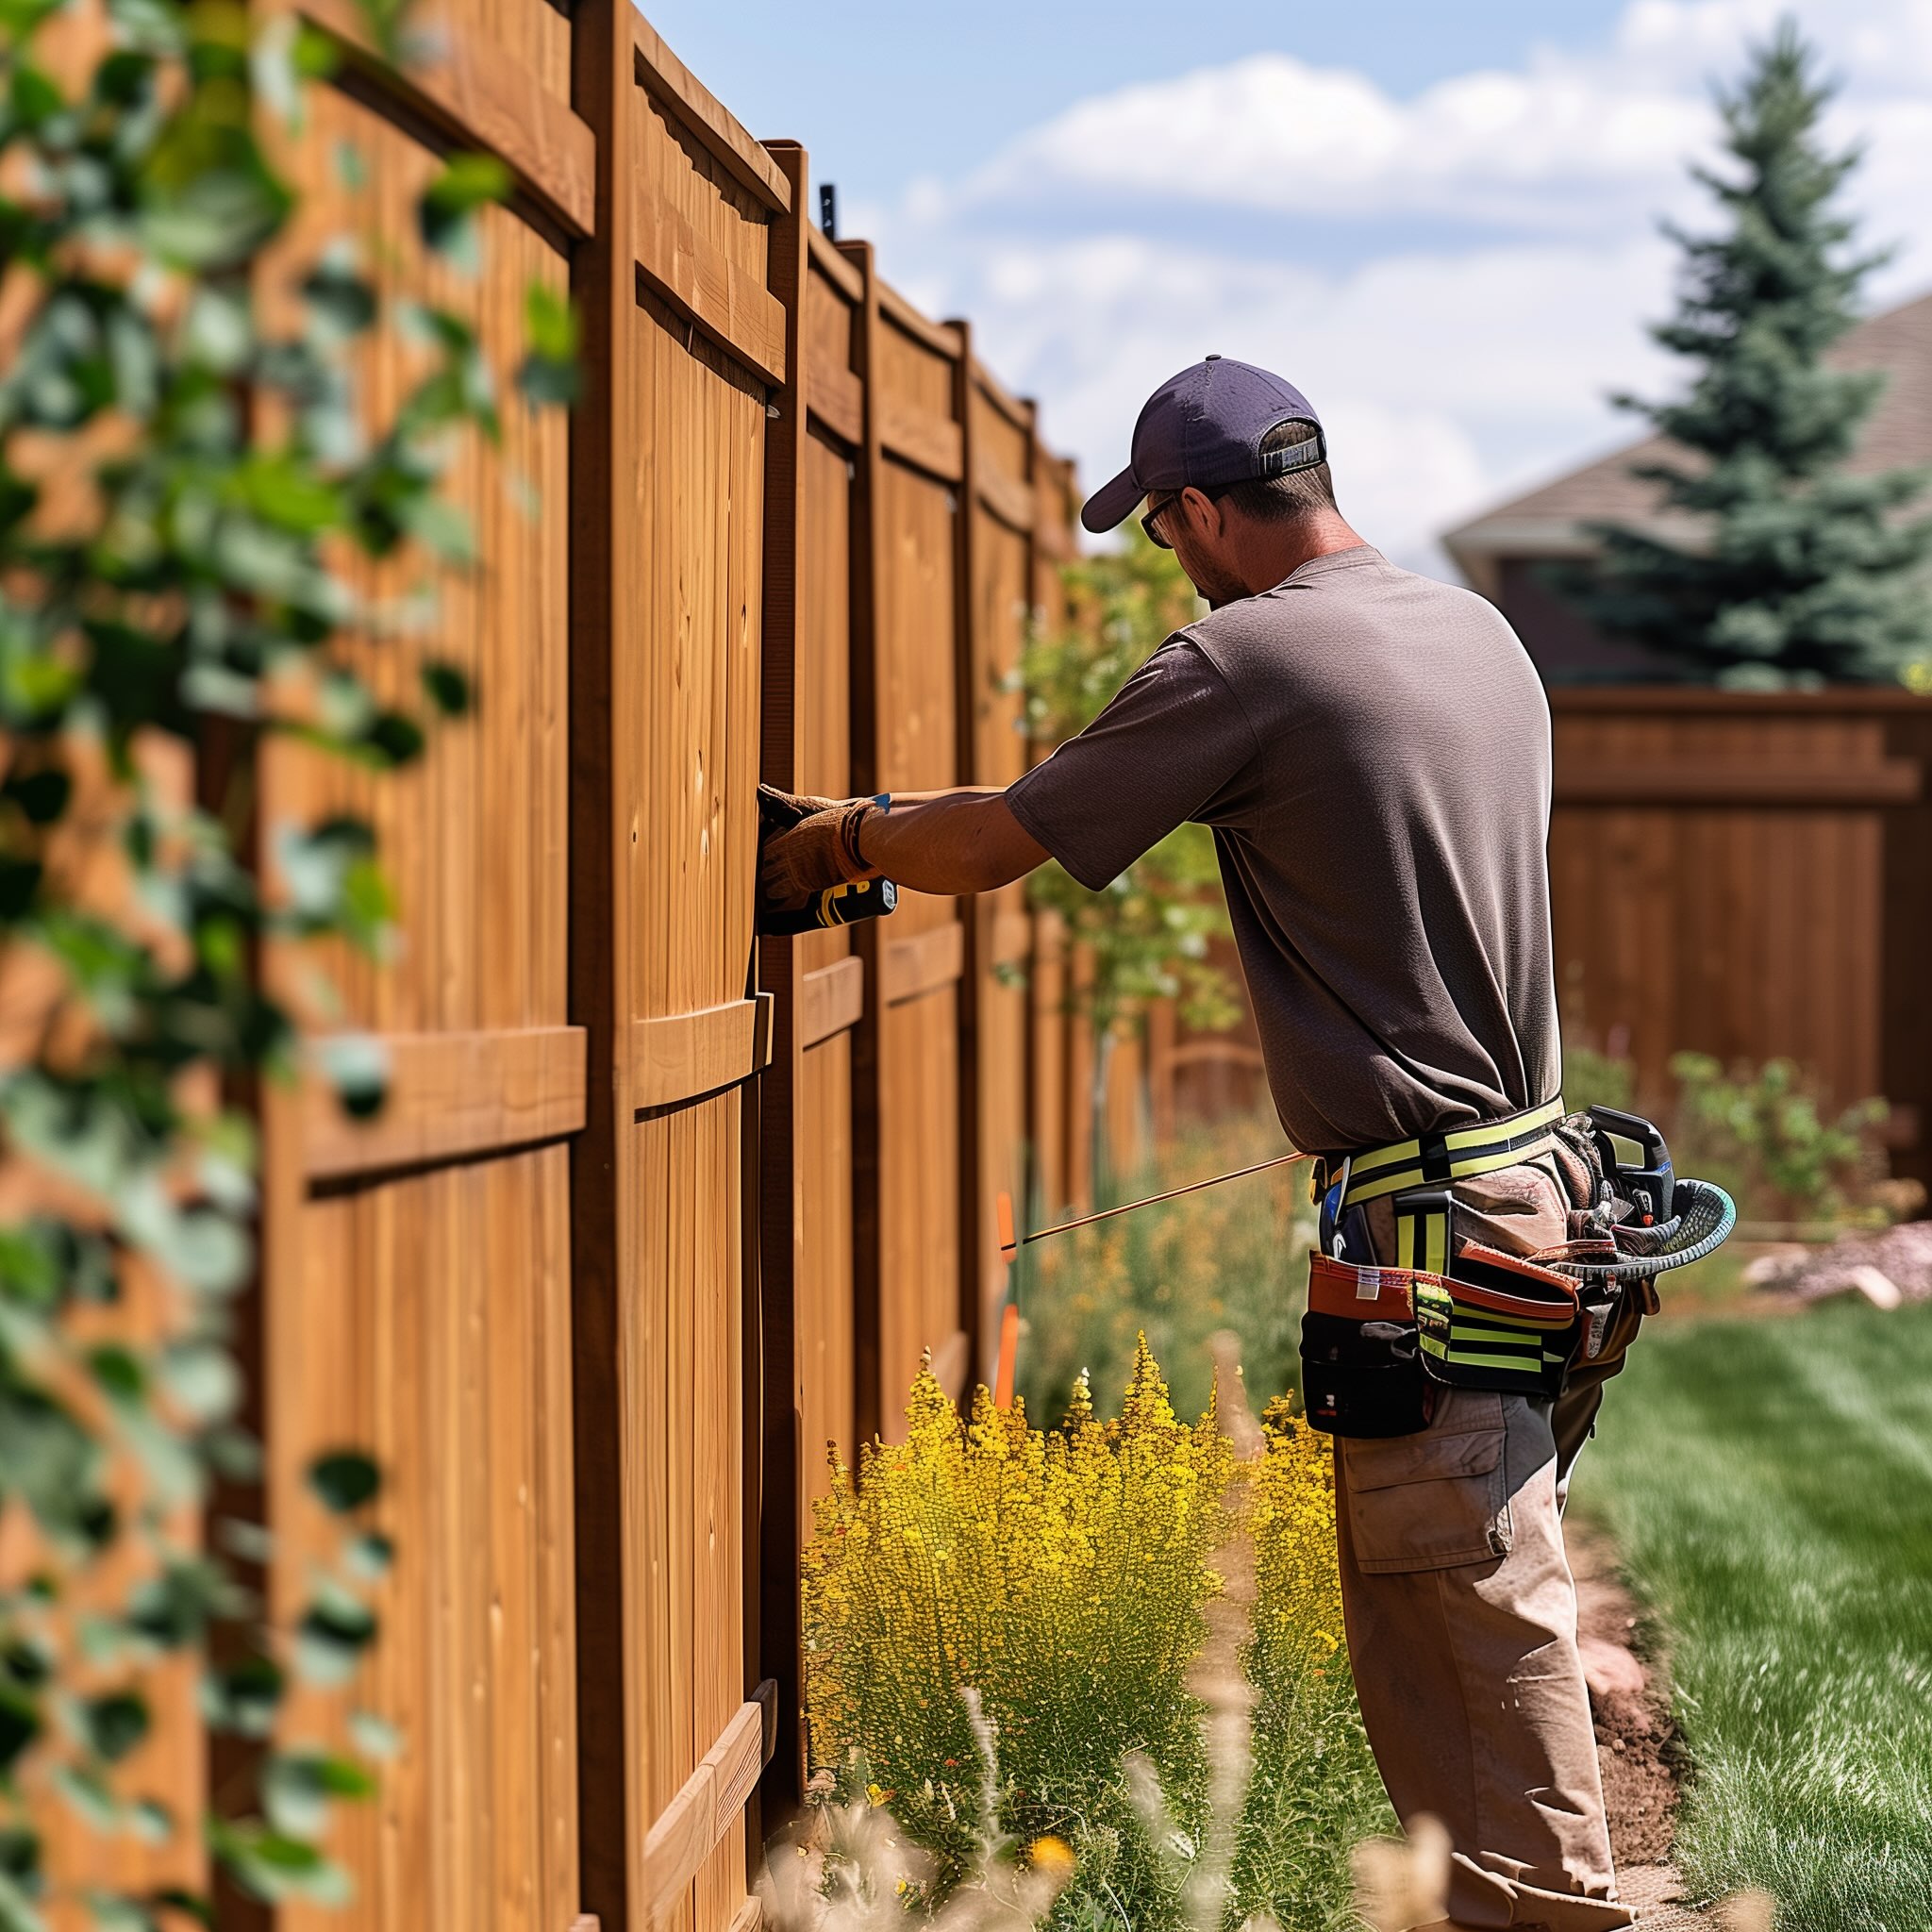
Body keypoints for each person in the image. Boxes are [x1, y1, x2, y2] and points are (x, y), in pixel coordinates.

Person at [758, 356, 1634, 1932]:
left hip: (1437, 1231)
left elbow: (1008, 837)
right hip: (1545, 1203)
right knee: (1459, 1614)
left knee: (1479, 1625)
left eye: (1162, 531)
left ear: (1203, 512)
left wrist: (841, 840)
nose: (1170, 561)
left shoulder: (1249, 662)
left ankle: (1566, 1917)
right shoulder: (1473, 631)